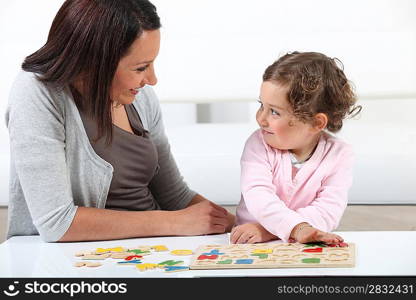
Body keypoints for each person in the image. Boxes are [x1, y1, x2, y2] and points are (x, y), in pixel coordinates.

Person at [5, 0, 234, 242]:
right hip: (86, 262)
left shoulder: (141, 98)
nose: (152, 79)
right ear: (95, 62)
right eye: (140, 68)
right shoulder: (36, 93)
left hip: (155, 251)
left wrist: (242, 223)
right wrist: (175, 221)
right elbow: (57, 223)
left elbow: (175, 196)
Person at [230, 51, 361, 244]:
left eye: (274, 112)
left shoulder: (339, 154)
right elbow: (258, 195)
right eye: (261, 105)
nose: (260, 118)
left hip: (301, 247)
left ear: (317, 123)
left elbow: (328, 211)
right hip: (249, 245)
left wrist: (271, 230)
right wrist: (295, 228)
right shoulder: (258, 144)